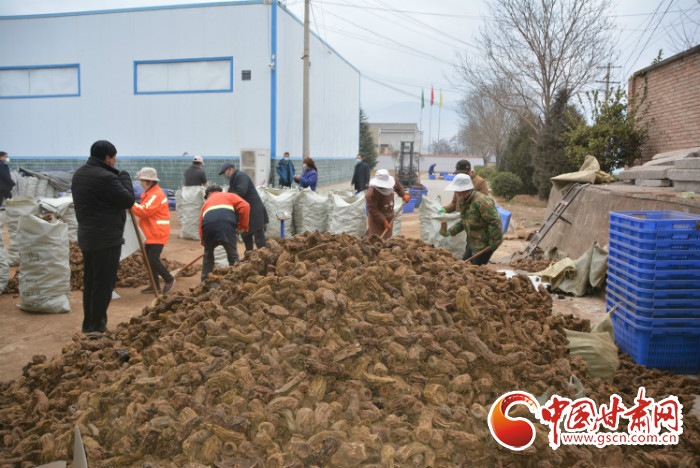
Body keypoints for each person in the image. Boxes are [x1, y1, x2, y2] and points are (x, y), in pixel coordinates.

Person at [71, 140, 135, 333]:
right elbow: (128, 200)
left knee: (91, 282)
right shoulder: (106, 178)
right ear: (108, 157)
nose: (115, 162)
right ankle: (97, 327)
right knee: (103, 284)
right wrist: (124, 178)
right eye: (114, 158)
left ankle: (88, 324)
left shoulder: (79, 174)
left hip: (87, 237)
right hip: (106, 239)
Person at [438, 174, 502, 266]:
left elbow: (495, 221)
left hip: (485, 243)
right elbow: (464, 221)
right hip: (473, 241)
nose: (455, 193)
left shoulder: (482, 202)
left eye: (457, 191)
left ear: (464, 190)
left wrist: (493, 243)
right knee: (464, 265)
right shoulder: (463, 201)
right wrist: (449, 232)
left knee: (474, 270)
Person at [131, 167, 175, 294]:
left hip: (157, 232)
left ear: (149, 181)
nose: (141, 183)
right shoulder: (149, 193)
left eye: (142, 181)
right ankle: (155, 284)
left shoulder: (156, 194)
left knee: (153, 259)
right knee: (148, 259)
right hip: (150, 232)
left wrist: (130, 203)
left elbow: (144, 210)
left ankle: (169, 279)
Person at [199, 185, 250, 281]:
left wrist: (206, 245)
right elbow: (245, 206)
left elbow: (201, 225)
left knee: (208, 257)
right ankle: (236, 280)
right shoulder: (229, 196)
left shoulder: (206, 203)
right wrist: (242, 226)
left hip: (208, 227)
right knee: (233, 256)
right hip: (226, 226)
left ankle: (204, 282)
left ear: (209, 194)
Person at [219, 162, 268, 253]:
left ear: (230, 169)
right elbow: (230, 194)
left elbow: (241, 191)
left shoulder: (241, 176)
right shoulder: (233, 179)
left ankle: (264, 256)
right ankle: (249, 256)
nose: (224, 175)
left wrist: (228, 199)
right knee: (245, 235)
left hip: (254, 210)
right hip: (245, 212)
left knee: (258, 237)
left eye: (224, 172)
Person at [365, 169, 411, 239]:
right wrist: (383, 220)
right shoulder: (371, 194)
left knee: (387, 239)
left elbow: (398, 186)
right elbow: (372, 209)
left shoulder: (392, 182)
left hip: (389, 216)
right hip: (376, 220)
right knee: (375, 239)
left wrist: (403, 195)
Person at [0, 151, 16, 246]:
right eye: (6, 157)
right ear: (1, 157)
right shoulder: (2, 166)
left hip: (3, 187)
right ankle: (14, 212)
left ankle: (13, 212)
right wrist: (12, 183)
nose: (7, 158)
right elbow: (5, 176)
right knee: (10, 199)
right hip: (3, 187)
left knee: (8, 198)